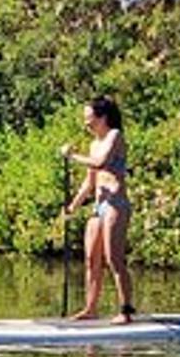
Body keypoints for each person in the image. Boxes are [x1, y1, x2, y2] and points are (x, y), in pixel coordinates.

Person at [59, 97, 136, 324]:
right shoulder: (93, 144)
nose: (86, 123)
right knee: (91, 258)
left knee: (114, 258)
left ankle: (126, 311)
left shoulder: (115, 136)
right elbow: (89, 182)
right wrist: (73, 206)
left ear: (102, 117)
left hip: (116, 204)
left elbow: (101, 163)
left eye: (89, 118)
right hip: (98, 206)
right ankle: (90, 308)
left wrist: (72, 156)